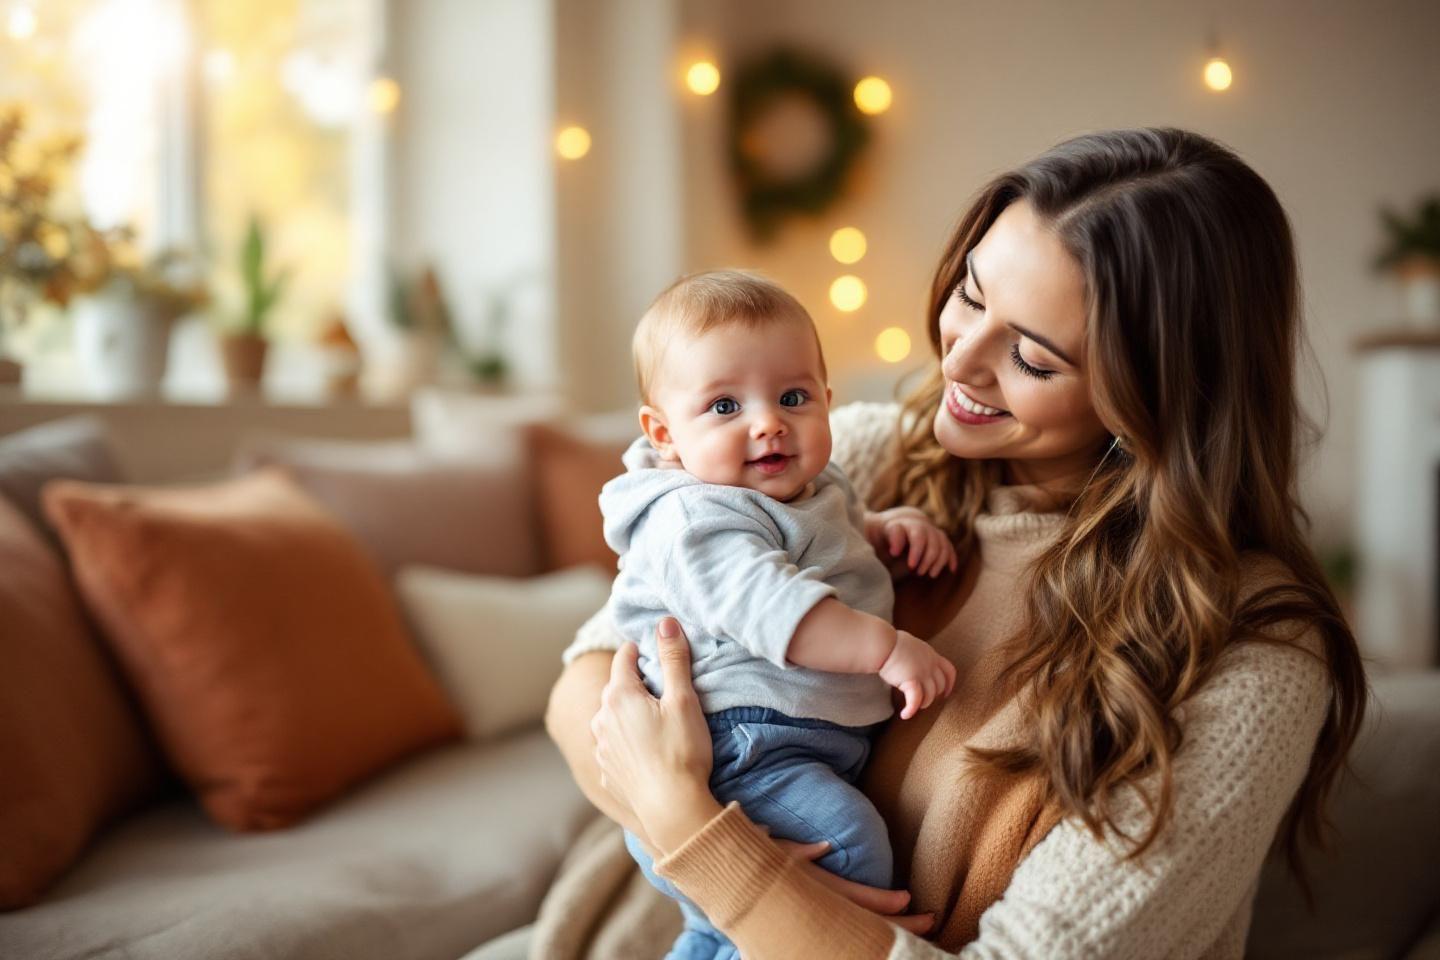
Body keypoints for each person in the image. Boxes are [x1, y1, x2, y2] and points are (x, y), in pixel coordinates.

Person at [544, 127, 1367, 959]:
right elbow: (584, 684)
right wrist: (711, 849)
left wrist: (722, 854)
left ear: (1155, 397)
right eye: (971, 297)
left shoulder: (1252, 647)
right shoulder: (868, 457)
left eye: (1033, 359)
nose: (960, 362)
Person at [603, 270, 957, 960]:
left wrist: (885, 529)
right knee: (848, 843)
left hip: (781, 741)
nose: (768, 422)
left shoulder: (816, 484)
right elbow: (775, 606)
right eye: (725, 407)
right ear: (664, 434)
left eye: (793, 397)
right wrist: (885, 650)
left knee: (715, 935)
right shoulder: (694, 515)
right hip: (734, 749)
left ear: (828, 400)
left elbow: (831, 537)